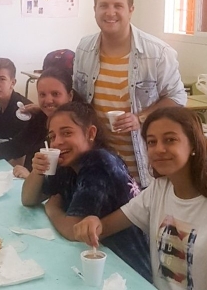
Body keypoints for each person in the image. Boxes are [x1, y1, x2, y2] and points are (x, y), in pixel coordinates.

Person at [73, 107, 207, 289]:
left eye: (170, 140)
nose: (159, 149)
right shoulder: (159, 189)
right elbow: (104, 227)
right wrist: (93, 222)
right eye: (151, 142)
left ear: (194, 146)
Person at [73, 0, 187, 188]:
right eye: (103, 5)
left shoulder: (158, 53)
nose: (110, 12)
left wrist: (140, 118)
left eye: (118, 5)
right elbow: (78, 100)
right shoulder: (84, 48)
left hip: (142, 165)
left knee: (139, 220)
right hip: (99, 164)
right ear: (95, 9)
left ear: (130, 10)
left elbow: (178, 98)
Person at [21, 101, 152, 281]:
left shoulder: (99, 163)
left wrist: (53, 210)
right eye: (52, 136)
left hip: (128, 271)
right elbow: (28, 199)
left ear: (90, 133)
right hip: (97, 261)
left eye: (67, 133)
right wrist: (37, 171)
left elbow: (74, 230)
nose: (58, 142)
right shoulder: (67, 163)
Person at [0, 67, 79, 177]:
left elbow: (68, 175)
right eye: (42, 95)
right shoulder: (40, 118)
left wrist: (32, 177)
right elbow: (16, 146)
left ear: (70, 96)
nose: (48, 100)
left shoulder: (76, 127)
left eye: (55, 94)